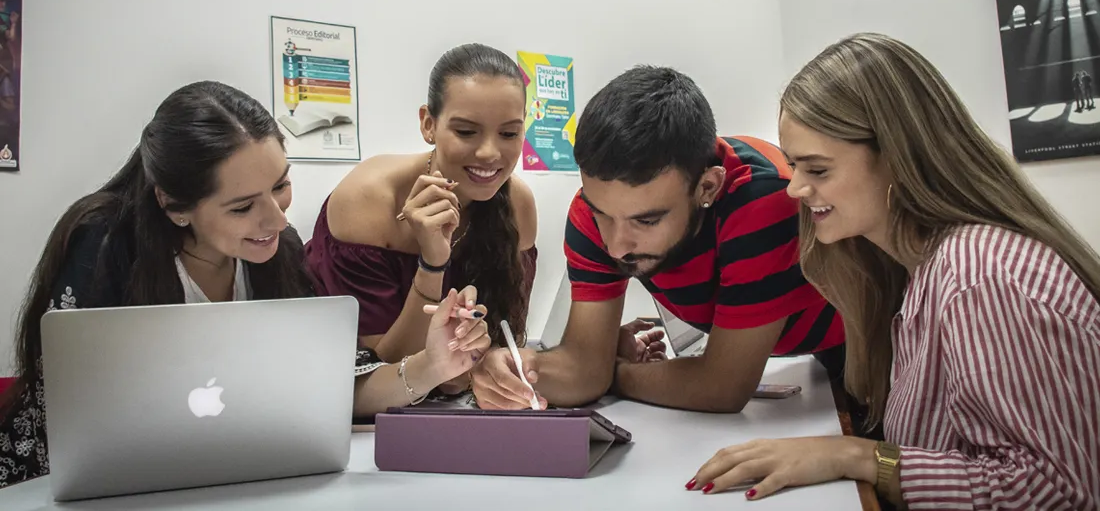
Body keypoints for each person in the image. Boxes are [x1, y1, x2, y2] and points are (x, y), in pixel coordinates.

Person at [0, 81, 490, 488]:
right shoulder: (104, 244)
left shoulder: (279, 252)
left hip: (240, 483)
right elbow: (71, 422)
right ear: (173, 205)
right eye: (242, 207)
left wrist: (431, 365)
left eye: (281, 185)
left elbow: (339, 385)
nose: (277, 220)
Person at [688, 34, 1100, 509]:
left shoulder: (981, 279)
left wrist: (859, 457)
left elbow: (1058, 492)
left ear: (898, 161)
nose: (794, 188)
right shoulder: (913, 268)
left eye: (817, 170)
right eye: (794, 165)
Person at [472, 66, 844, 413]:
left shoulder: (764, 201)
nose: (616, 247)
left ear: (707, 187)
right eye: (603, 215)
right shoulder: (589, 213)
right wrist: (515, 368)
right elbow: (582, 368)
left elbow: (723, 387)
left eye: (647, 220)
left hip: (856, 347)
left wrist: (612, 372)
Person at [305, 43, 538, 392]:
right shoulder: (368, 199)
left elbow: (505, 341)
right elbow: (382, 373)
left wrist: (484, 370)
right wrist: (432, 265)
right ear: (429, 124)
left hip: (455, 402)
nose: (490, 153)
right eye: (466, 131)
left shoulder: (518, 204)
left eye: (509, 133)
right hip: (341, 394)